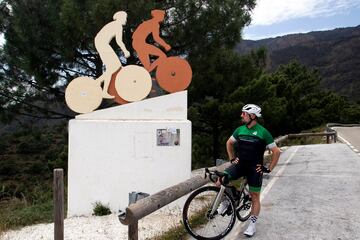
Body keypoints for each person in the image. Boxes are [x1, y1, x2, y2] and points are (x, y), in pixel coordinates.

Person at [217, 104, 281, 237]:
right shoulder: (240, 130)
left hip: (254, 168)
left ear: (252, 116)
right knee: (221, 180)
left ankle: (252, 224)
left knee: (255, 196)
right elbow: (229, 143)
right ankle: (226, 201)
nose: (241, 115)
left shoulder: (263, 132)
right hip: (240, 165)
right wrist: (232, 158)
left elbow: (276, 152)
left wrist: (268, 169)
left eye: (244, 113)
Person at [94, 11, 130, 99]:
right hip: (102, 43)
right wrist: (125, 51)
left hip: (100, 43)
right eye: (125, 18)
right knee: (115, 66)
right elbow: (119, 41)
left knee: (113, 67)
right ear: (121, 18)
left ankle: (101, 85)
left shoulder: (113, 24)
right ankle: (100, 84)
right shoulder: (117, 25)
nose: (125, 20)